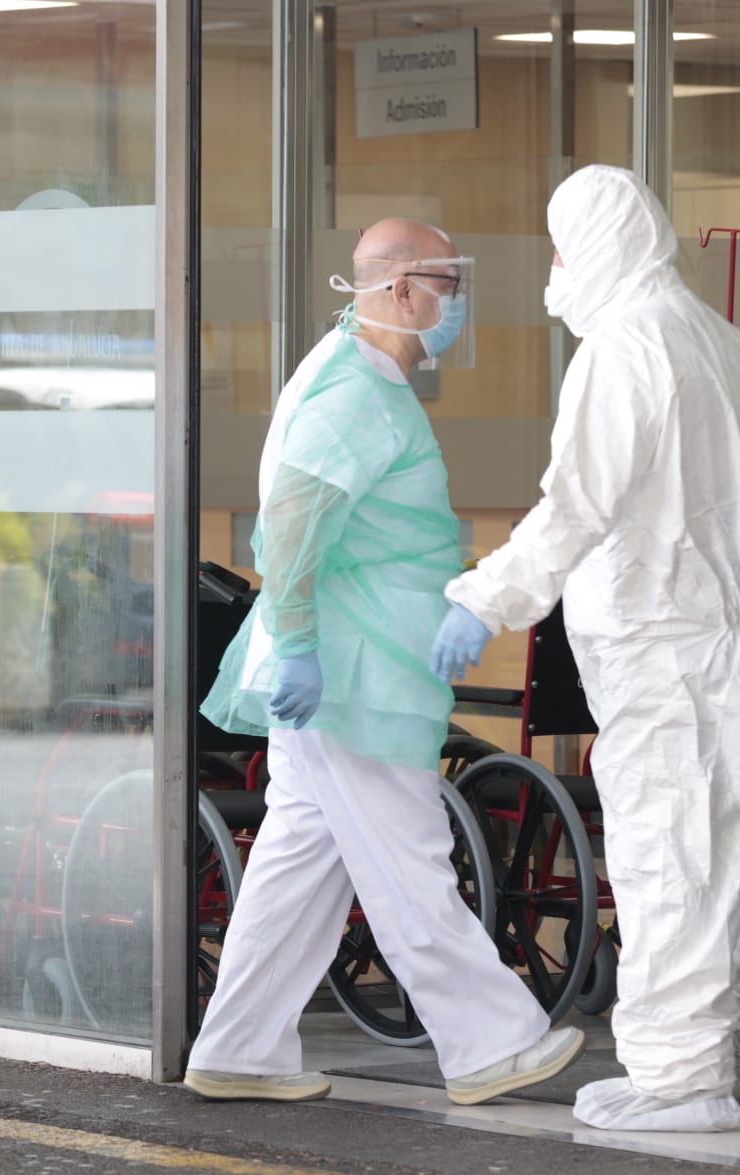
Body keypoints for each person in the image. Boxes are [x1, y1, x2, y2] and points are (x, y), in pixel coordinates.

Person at [431, 166, 740, 1133]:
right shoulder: (730, 348)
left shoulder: (628, 347)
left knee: (673, 852)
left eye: (558, 243)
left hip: (667, 647)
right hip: (739, 643)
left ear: (594, 243)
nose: (554, 266)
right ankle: (690, 1065)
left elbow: (576, 507)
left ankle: (681, 1081)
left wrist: (484, 598)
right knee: (726, 860)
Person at [190, 218, 584, 1104]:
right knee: (409, 859)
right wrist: (294, 645)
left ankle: (240, 1050)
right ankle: (490, 1044)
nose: (458, 303)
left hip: (347, 665)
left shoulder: (350, 373)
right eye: (449, 283)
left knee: (297, 867)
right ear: (402, 290)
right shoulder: (358, 393)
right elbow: (292, 520)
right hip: (352, 674)